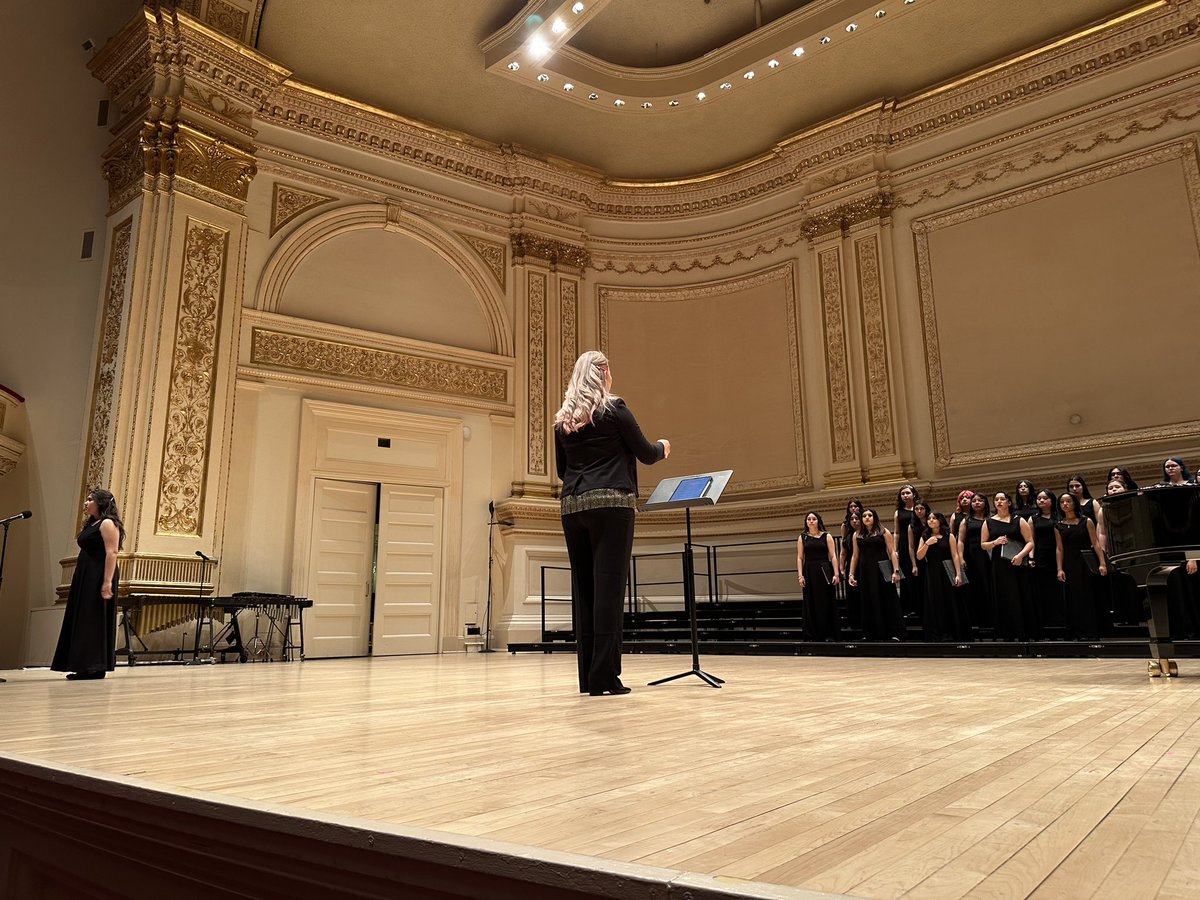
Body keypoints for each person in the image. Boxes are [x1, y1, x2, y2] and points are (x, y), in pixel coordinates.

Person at [554, 351, 668, 697]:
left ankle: (589, 679)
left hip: (572, 507)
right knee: (609, 591)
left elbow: (562, 471)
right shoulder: (613, 408)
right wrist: (664, 447)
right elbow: (646, 453)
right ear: (602, 373)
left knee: (585, 592)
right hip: (611, 506)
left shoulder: (563, 420)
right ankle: (605, 678)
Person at [51, 489, 124, 680]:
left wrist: (107, 582)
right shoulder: (94, 523)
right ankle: (86, 666)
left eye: (90, 499)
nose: (86, 502)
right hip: (87, 575)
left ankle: (93, 666)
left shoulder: (108, 523)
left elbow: (112, 552)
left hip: (99, 575)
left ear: (100, 503)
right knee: (84, 618)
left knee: (93, 619)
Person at [982, 491, 1035, 640]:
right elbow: (983, 545)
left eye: (1002, 499)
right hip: (999, 565)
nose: (999, 502)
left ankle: (1024, 633)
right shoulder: (989, 522)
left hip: (1017, 563)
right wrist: (995, 542)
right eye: (996, 500)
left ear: (1009, 502)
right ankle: (1008, 635)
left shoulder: (1018, 520)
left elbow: (1030, 542)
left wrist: (1020, 556)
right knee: (1004, 598)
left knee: (1020, 596)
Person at [1055, 492, 1107, 640]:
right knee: (1073, 598)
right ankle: (1077, 633)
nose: (1065, 504)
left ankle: (1091, 632)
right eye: (1062, 502)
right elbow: (1059, 549)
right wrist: (1059, 568)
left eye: (1068, 501)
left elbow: (1096, 543)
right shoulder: (1058, 525)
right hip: (1069, 563)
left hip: (1085, 562)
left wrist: (1102, 563)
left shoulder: (1086, 521)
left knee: (1088, 596)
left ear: (1074, 503)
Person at [848, 508, 904, 641]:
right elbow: (855, 556)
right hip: (865, 570)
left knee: (887, 598)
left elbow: (892, 552)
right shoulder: (856, 535)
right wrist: (851, 574)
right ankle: (870, 633)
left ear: (875, 517)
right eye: (865, 516)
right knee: (868, 599)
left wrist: (896, 571)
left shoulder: (884, 532)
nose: (867, 517)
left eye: (870, 515)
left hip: (882, 568)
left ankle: (893, 633)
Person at [916, 511, 967, 641]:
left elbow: (955, 555)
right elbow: (919, 556)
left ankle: (950, 632)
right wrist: (927, 543)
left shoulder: (948, 535)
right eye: (929, 519)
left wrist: (958, 574)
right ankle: (935, 633)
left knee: (948, 600)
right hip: (932, 572)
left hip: (946, 570)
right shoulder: (925, 536)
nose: (931, 520)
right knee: (934, 600)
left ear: (940, 520)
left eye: (934, 518)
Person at [797, 511, 839, 641]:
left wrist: (836, 573)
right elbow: (799, 557)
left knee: (825, 601)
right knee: (811, 602)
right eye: (808, 519)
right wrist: (800, 575)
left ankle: (828, 633)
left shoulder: (827, 536)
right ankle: (812, 634)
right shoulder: (802, 537)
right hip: (809, 571)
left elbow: (833, 556)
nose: (811, 521)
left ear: (818, 521)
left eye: (813, 519)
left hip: (824, 570)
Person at [1028, 489, 1064, 631]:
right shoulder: (1033, 519)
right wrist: (1031, 557)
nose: (1041, 500)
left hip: (1060, 555)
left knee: (1060, 589)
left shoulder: (1059, 516)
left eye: (1045, 498)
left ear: (1051, 500)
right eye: (1039, 498)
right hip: (1041, 556)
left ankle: (1062, 620)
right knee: (1044, 590)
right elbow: (1032, 540)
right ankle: (1048, 622)